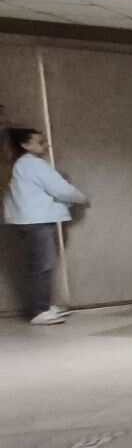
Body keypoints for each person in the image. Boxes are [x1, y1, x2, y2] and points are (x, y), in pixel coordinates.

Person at [3, 127, 87, 326]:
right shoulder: (33, 164)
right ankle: (40, 310)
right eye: (40, 142)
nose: (46, 145)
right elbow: (59, 188)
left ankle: (43, 306)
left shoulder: (20, 165)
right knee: (42, 264)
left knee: (39, 264)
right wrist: (81, 198)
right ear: (25, 145)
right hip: (36, 221)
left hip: (28, 220)